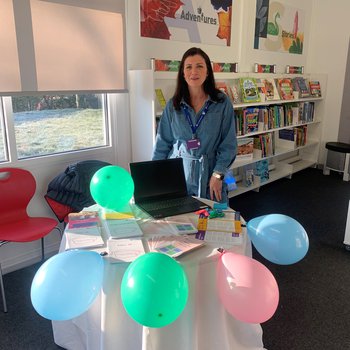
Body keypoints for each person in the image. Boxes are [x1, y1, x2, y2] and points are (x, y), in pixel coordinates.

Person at [152, 47, 237, 203]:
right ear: (183, 73)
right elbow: (162, 144)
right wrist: (156, 177)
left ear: (208, 71)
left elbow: (229, 145)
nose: (194, 72)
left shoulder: (221, 103)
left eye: (199, 66)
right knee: (181, 223)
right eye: (189, 67)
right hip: (178, 175)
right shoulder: (173, 106)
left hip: (211, 175)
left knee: (213, 223)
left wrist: (218, 175)